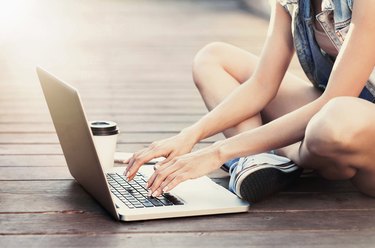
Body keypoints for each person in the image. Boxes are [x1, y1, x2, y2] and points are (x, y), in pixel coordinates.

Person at [124, 0, 375, 203]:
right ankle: (258, 161)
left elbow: (335, 100)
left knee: (332, 124)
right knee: (213, 58)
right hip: (332, 108)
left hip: (350, 120)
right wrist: (189, 135)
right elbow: (262, 85)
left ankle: (284, 155)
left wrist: (217, 151)